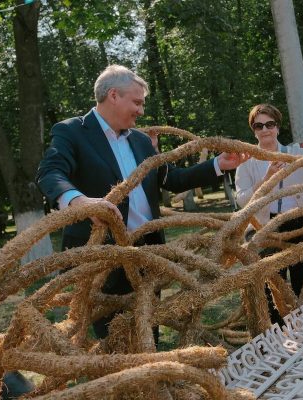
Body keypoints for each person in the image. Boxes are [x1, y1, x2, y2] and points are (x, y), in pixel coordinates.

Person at [36, 65, 248, 338]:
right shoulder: (71, 131)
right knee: (113, 337)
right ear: (113, 95)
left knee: (149, 328)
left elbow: (170, 178)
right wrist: (79, 202)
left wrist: (218, 164)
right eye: (136, 102)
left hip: (149, 252)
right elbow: (49, 172)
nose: (141, 111)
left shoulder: (140, 140)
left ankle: (154, 378)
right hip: (104, 256)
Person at [235, 103, 303, 324]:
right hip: (264, 227)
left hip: (299, 221)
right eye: (259, 126)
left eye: (269, 124)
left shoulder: (294, 152)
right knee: (271, 282)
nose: (265, 129)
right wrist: (266, 179)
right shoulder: (246, 162)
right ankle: (276, 333)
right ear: (254, 130)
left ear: (277, 127)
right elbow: (242, 200)